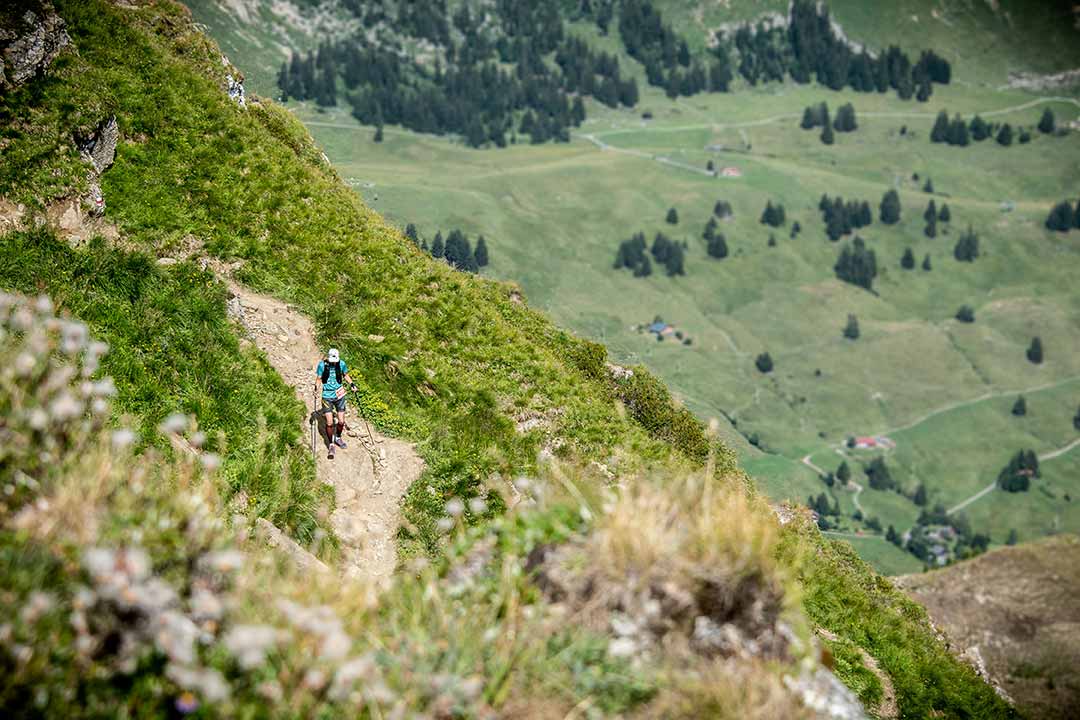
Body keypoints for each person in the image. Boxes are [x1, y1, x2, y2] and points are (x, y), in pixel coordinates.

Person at [315, 348, 357, 459]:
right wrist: (316, 388)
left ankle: (338, 437)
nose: (334, 362)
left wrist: (352, 384)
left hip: (340, 395)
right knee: (329, 422)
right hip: (327, 396)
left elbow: (345, 375)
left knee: (341, 421)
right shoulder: (322, 365)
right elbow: (319, 379)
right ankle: (331, 444)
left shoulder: (341, 364)